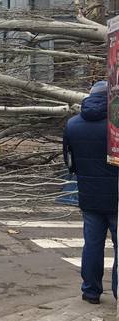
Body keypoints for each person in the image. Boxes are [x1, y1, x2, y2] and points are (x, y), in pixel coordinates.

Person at [63, 80, 119, 304]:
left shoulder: (72, 124)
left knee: (92, 244)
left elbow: (70, 162)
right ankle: (117, 292)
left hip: (89, 194)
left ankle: (91, 291)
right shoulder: (115, 125)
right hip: (116, 195)